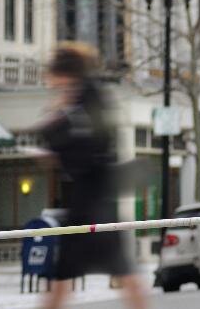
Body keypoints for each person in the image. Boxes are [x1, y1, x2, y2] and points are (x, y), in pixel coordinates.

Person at [39, 42, 145, 309]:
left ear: (65, 73)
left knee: (117, 271)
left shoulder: (89, 98)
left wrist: (56, 130)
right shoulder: (83, 97)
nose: (51, 82)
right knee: (69, 274)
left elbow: (90, 145)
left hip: (94, 201)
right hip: (92, 199)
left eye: (54, 75)